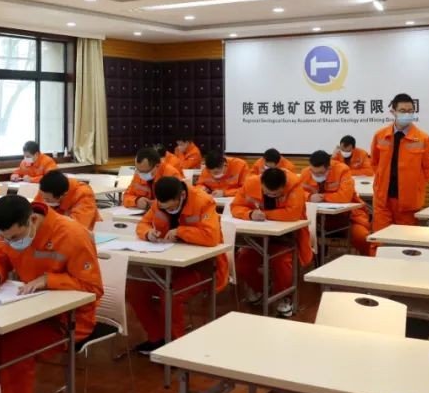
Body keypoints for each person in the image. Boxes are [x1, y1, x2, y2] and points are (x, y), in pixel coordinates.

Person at [0, 195, 102, 393]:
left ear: (32, 220)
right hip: (26, 312)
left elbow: (93, 288)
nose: (10, 242)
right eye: (5, 237)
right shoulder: (9, 230)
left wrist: (48, 280)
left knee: (14, 346)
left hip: (67, 320)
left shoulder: (72, 234)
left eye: (15, 237)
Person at [128, 177, 228, 354]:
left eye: (171, 207)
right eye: (164, 207)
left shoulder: (203, 202)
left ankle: (176, 346)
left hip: (202, 266)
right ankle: (157, 337)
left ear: (181, 195)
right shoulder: (160, 202)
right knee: (135, 289)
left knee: (170, 294)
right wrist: (148, 233)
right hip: (169, 263)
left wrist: (181, 231)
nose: (168, 210)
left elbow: (211, 237)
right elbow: (143, 224)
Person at [231, 167, 311, 317]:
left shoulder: (294, 186)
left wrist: (264, 214)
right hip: (258, 237)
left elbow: (292, 214)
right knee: (242, 262)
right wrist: (250, 214)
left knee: (281, 263)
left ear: (284, 186)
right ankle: (261, 288)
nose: (271, 196)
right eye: (267, 193)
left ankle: (285, 297)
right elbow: (235, 206)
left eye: (276, 194)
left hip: (286, 238)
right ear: (261, 184)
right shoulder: (251, 183)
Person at [369, 94, 429, 233]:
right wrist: (382, 179)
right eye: (402, 110)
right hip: (383, 200)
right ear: (393, 112)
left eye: (410, 111)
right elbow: (374, 163)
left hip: (409, 202)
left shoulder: (424, 139)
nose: (407, 114)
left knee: (406, 240)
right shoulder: (380, 135)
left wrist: (414, 185)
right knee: (380, 239)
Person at [300, 150, 371, 255]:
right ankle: (315, 262)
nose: (315, 175)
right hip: (316, 219)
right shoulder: (305, 172)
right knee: (298, 236)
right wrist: (309, 197)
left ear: (328, 168)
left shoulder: (342, 170)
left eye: (319, 173)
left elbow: (345, 197)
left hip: (348, 218)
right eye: (313, 172)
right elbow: (298, 194)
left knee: (362, 237)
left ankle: (368, 261)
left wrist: (323, 197)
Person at [33, 170, 100, 230]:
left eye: (47, 200)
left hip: (83, 233)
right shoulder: (46, 189)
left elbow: (78, 226)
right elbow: (34, 211)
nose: (44, 200)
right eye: (41, 195)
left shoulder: (84, 195)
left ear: (63, 195)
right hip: (56, 227)